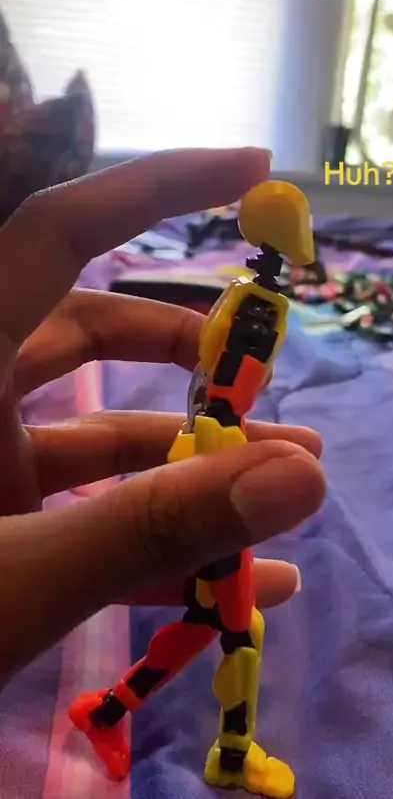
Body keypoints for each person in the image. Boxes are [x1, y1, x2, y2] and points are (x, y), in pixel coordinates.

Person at [0, 146, 325, 691]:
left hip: (214, 432)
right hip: (215, 438)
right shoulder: (256, 307)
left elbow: (219, 365)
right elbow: (224, 369)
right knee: (235, 628)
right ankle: (205, 733)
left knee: (216, 621)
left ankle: (111, 709)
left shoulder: (249, 303)